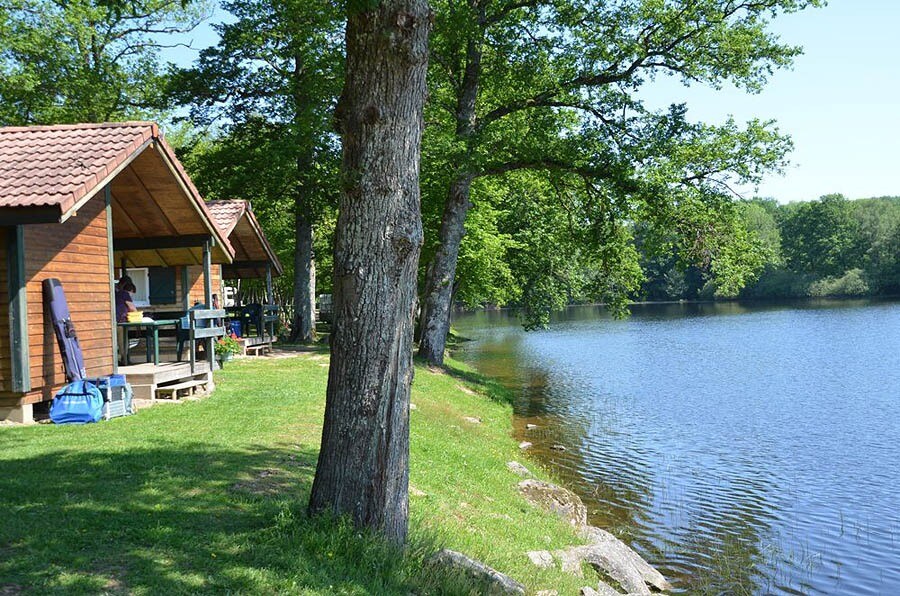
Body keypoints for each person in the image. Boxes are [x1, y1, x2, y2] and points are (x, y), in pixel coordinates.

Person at [115, 276, 138, 364]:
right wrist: (139, 316)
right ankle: (125, 360)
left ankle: (118, 360)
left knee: (115, 342)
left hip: (113, 320)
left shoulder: (115, 293)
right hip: (121, 321)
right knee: (123, 341)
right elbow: (132, 308)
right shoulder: (125, 294)